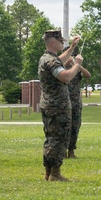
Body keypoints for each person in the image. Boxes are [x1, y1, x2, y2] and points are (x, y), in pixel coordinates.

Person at [37, 30, 85, 181]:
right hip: (57, 106)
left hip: (49, 104)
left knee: (51, 138)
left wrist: (72, 47)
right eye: (60, 41)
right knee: (59, 139)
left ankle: (48, 173)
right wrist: (77, 64)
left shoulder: (47, 58)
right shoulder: (51, 61)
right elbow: (65, 77)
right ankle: (55, 174)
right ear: (53, 42)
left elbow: (60, 61)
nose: (62, 43)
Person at [64, 55, 90, 158]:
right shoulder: (60, 68)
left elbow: (88, 75)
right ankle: (62, 151)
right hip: (63, 102)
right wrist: (65, 64)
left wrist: (78, 65)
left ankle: (71, 151)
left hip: (75, 102)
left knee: (75, 127)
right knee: (63, 127)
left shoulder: (76, 69)